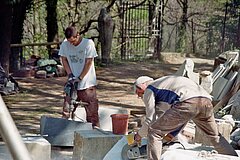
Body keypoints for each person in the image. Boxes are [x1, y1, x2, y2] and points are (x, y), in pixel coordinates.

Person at [133, 75, 238, 160]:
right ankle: (233, 157)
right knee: (215, 136)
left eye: (137, 91)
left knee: (154, 132)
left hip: (188, 102)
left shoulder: (150, 89)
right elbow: (182, 117)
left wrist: (139, 135)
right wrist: (171, 135)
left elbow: (150, 119)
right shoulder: (165, 85)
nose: (138, 96)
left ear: (142, 85)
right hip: (206, 101)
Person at [58, 26, 100, 128]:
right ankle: (63, 131)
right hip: (72, 81)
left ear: (78, 35)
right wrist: (70, 75)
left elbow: (89, 62)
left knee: (91, 111)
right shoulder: (65, 44)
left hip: (87, 83)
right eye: (69, 42)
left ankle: (94, 130)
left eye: (73, 41)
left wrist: (80, 77)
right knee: (67, 109)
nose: (71, 44)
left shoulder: (88, 44)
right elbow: (64, 59)